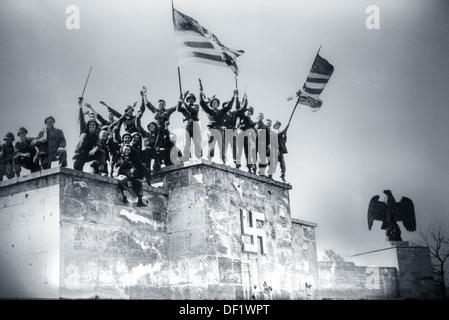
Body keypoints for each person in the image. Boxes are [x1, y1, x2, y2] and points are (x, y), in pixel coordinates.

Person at [199, 82, 234, 163]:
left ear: (218, 104)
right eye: (213, 103)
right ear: (211, 104)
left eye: (216, 103)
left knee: (221, 145)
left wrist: (233, 96)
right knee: (211, 145)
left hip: (220, 129)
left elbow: (229, 106)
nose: (215, 103)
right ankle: (209, 159)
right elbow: (202, 103)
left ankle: (224, 160)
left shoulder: (221, 111)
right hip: (212, 129)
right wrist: (200, 94)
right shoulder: (209, 111)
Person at [177, 92, 202, 160]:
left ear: (194, 100)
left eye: (192, 99)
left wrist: (184, 102)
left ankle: (198, 156)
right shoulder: (184, 108)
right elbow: (178, 109)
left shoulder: (196, 106)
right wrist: (180, 100)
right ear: (187, 100)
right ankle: (186, 156)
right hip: (186, 124)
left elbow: (192, 110)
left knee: (197, 141)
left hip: (195, 124)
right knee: (186, 142)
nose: (191, 100)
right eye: (189, 99)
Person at [235, 106, 256, 173]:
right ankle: (237, 165)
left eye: (250, 112)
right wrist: (239, 130)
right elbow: (237, 126)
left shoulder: (251, 122)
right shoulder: (240, 117)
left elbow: (253, 130)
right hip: (240, 134)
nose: (249, 113)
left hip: (247, 136)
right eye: (248, 111)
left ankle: (249, 167)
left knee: (248, 152)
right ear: (245, 111)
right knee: (239, 150)